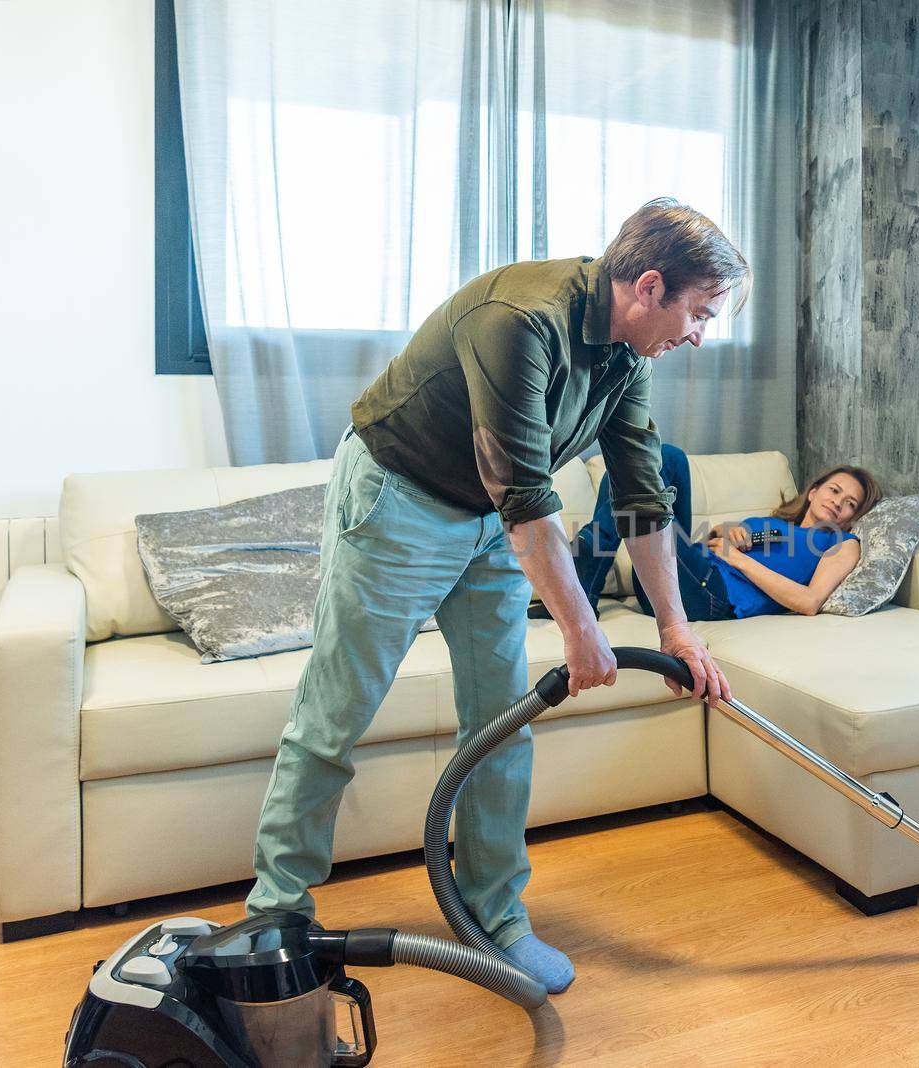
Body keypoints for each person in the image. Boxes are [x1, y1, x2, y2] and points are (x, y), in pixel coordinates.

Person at [245, 199, 746, 996]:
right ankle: (275, 912)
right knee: (336, 715)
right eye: (698, 313)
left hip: (493, 520)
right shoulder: (519, 318)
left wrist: (677, 631)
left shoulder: (626, 358)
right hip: (401, 500)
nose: (699, 335)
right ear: (650, 286)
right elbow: (528, 499)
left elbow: (642, 497)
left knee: (502, 722)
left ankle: (493, 917)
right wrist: (583, 632)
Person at [558, 444, 882, 621]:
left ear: (854, 515)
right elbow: (709, 546)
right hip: (682, 577)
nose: (838, 502)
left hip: (712, 596)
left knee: (640, 500)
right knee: (666, 457)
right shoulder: (775, 524)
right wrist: (725, 533)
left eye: (850, 502)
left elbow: (809, 601)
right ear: (813, 491)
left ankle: (586, 576)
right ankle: (586, 580)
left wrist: (738, 561)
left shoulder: (842, 543)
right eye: (835, 490)